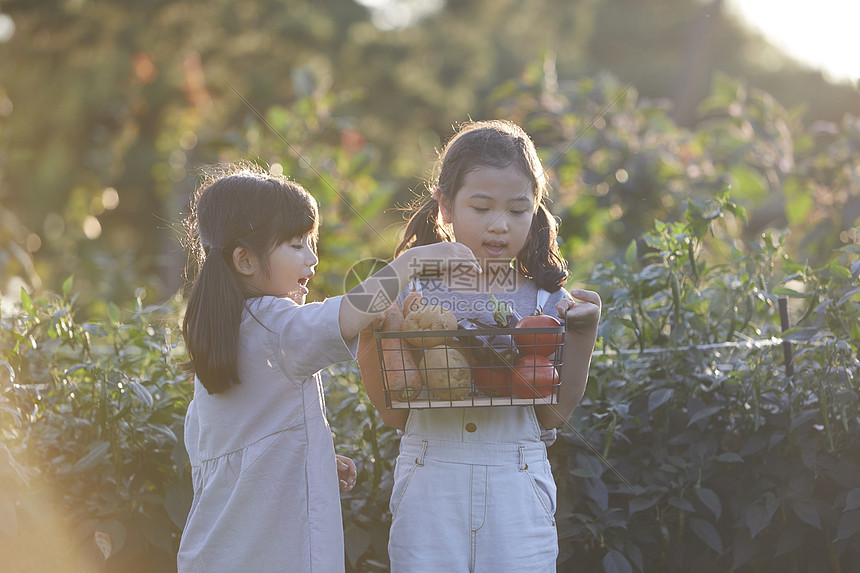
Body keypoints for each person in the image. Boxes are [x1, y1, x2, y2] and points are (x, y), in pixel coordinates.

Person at [176, 164, 481, 573]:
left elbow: (235, 442)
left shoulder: (225, 332)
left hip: (219, 551)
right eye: (297, 245)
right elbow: (346, 315)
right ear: (245, 261)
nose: (313, 258)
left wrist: (307, 457)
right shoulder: (275, 323)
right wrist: (412, 262)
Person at [357, 120, 601, 572]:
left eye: (517, 210)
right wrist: (375, 333)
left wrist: (583, 336)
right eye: (481, 207)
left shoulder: (548, 301)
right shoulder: (410, 293)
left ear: (535, 211)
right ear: (445, 207)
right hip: (431, 475)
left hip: (517, 476)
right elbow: (393, 412)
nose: (499, 225)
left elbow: (552, 414)